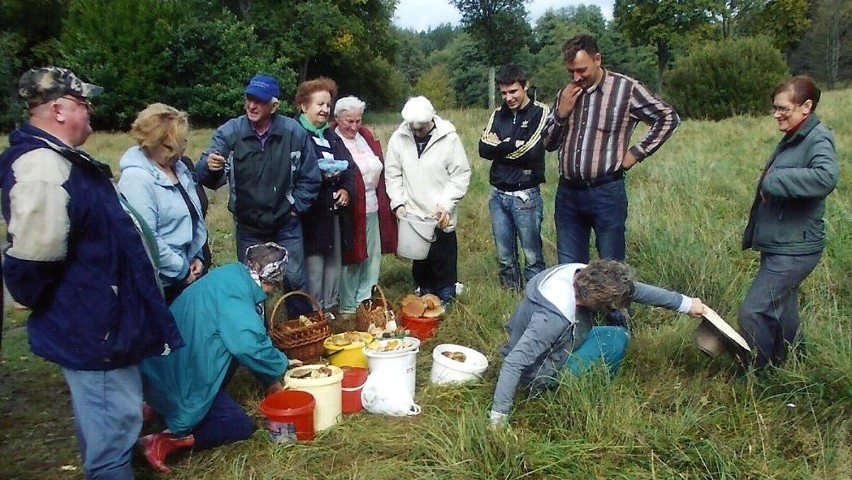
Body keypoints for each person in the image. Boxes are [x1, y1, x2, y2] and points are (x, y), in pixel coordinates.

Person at [0, 66, 183, 478]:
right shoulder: (43, 168)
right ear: (60, 109)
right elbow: (33, 261)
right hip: (93, 330)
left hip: (102, 320)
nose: (90, 110)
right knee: (111, 442)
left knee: (110, 430)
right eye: (84, 103)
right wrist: (71, 304)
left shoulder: (64, 160)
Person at [138, 243, 296, 474]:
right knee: (237, 425)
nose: (271, 292)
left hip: (158, 366)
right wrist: (280, 366)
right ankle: (163, 440)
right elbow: (247, 344)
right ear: (270, 281)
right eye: (273, 285)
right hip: (183, 373)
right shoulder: (236, 295)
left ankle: (152, 406)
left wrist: (269, 379)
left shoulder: (232, 275)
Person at [489, 260, 705, 427]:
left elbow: (636, 291)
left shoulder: (580, 274)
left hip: (559, 344)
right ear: (594, 300)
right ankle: (567, 391)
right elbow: (514, 362)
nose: (616, 308)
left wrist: (685, 304)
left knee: (610, 333)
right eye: (611, 305)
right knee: (616, 338)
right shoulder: (554, 316)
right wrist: (498, 420)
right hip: (541, 373)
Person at [543, 34, 680, 265]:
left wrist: (636, 153)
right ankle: (578, 303)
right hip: (568, 194)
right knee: (569, 268)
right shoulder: (566, 94)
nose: (576, 78)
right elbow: (548, 143)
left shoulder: (625, 89)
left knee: (612, 268)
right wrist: (560, 113)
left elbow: (668, 118)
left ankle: (615, 303)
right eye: (571, 72)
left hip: (606, 191)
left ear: (597, 59)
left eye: (581, 70)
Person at [738, 76, 839, 371]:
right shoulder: (797, 134)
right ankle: (793, 361)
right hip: (783, 241)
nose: (776, 114)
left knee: (753, 311)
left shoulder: (817, 137)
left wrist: (774, 180)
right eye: (774, 108)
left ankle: (757, 370)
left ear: (806, 106)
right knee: (782, 309)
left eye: (783, 108)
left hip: (795, 248)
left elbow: (826, 177)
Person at [197, 74, 321, 309]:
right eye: (249, 99)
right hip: (249, 225)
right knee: (251, 284)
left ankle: (301, 331)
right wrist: (209, 167)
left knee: (294, 278)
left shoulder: (292, 132)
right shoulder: (231, 132)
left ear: (274, 106)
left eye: (260, 101)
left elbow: (310, 175)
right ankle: (255, 332)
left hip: (286, 222)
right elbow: (205, 175)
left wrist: (296, 208)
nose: (252, 105)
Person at [384, 96, 471, 305]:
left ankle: (447, 297)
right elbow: (393, 174)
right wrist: (398, 203)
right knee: (420, 258)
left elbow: (460, 175)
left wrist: (446, 204)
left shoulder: (449, 138)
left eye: (421, 128)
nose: (417, 132)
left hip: (440, 210)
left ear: (431, 120)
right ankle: (423, 294)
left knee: (443, 255)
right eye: (413, 128)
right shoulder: (398, 138)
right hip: (412, 211)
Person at [118, 103, 207, 303]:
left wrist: (197, 256)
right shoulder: (136, 179)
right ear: (150, 142)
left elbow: (193, 217)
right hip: (160, 283)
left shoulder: (180, 168)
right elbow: (148, 240)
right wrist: (181, 269)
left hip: (188, 273)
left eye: (182, 144)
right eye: (170, 147)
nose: (180, 152)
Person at [479, 63, 550, 291]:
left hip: (525, 195)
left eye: (513, 91)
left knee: (532, 256)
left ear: (525, 86)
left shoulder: (541, 111)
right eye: (504, 92)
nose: (508, 98)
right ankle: (510, 299)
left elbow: (532, 151)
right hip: (498, 195)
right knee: (505, 257)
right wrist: (511, 145)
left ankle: (535, 299)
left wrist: (500, 145)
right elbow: (483, 148)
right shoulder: (498, 114)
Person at [294, 77, 356, 317]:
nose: (325, 109)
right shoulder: (297, 134)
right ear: (303, 106)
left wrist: (346, 190)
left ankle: (329, 308)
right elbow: (298, 172)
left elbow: (349, 167)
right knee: (313, 264)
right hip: (311, 213)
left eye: (328, 105)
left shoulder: (330, 136)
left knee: (333, 261)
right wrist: (326, 177)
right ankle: (313, 312)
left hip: (333, 212)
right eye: (320, 104)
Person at [333, 96, 398, 319]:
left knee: (373, 256)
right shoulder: (333, 140)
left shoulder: (366, 137)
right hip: (350, 209)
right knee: (353, 257)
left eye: (358, 120)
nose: (354, 126)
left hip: (373, 205)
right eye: (348, 121)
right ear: (337, 118)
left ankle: (365, 299)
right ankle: (348, 306)